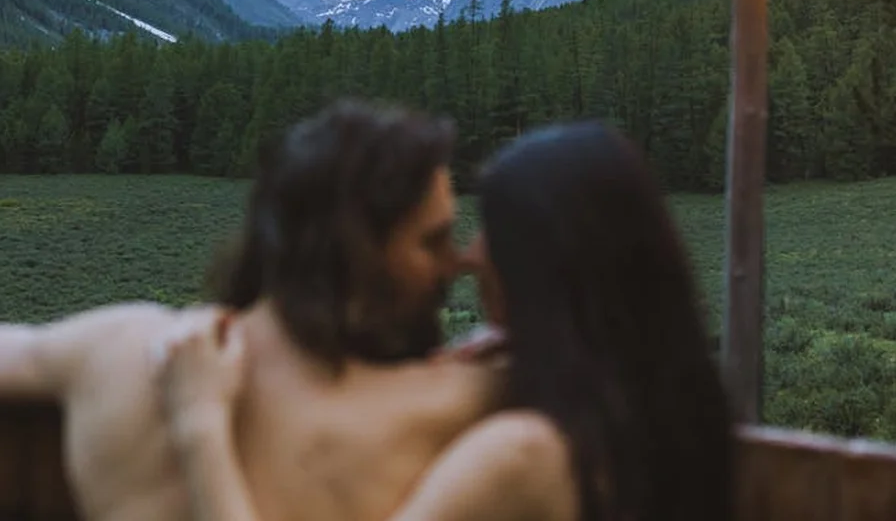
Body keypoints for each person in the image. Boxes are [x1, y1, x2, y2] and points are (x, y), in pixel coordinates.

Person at [0, 98, 506, 521]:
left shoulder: (125, 347)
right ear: (359, 250)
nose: (451, 264)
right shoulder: (418, 407)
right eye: (432, 241)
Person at [157, 121, 735, 520]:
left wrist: (200, 424)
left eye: (493, 229)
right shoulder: (644, 407)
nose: (467, 255)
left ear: (547, 258)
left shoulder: (522, 456)